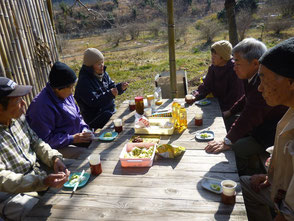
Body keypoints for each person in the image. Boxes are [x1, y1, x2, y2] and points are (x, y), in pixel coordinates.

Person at [205, 38, 288, 176]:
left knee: (235, 149)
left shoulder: (264, 83)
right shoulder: (251, 77)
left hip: (269, 135)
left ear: (255, 63)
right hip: (259, 125)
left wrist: (228, 141)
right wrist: (230, 112)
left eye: (237, 62)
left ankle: (243, 174)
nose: (234, 66)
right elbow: (246, 99)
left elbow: (250, 116)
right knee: (227, 122)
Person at [0, 77, 70, 220]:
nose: (24, 104)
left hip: (38, 174)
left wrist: (54, 158)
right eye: (18, 101)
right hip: (12, 194)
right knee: (42, 212)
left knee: (71, 178)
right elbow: (4, 179)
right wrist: (41, 182)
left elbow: (36, 142)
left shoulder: (18, 119)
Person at [240, 37, 294, 221]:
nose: (260, 88)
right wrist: (270, 177)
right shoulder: (290, 112)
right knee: (245, 184)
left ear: (291, 82)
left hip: (288, 207)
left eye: (264, 80)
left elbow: (290, 214)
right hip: (280, 188)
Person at [26, 62, 92, 159]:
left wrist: (84, 129)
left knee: (98, 145)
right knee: (86, 155)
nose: (73, 90)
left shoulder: (65, 95)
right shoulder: (40, 107)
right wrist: (72, 139)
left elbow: (78, 115)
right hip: (56, 147)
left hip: (76, 138)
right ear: (57, 89)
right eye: (70, 87)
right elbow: (44, 140)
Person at [74, 48, 129, 129]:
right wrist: (110, 94)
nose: (102, 66)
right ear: (90, 66)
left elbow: (111, 87)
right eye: (99, 64)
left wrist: (119, 88)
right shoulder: (84, 82)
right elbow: (94, 102)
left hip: (109, 112)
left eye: (102, 62)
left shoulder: (102, 73)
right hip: (95, 119)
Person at [192, 40, 244, 116]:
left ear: (223, 56)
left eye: (215, 54)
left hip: (230, 110)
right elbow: (206, 86)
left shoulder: (234, 70)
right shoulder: (213, 68)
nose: (212, 57)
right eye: (212, 54)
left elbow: (235, 96)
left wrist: (219, 111)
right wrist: (195, 96)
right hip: (216, 104)